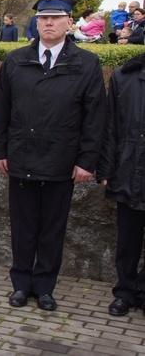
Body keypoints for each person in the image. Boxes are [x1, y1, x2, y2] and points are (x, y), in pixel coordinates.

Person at [0, 0, 106, 311]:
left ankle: (44, 287)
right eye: (43, 17)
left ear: (69, 23)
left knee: (52, 228)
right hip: (22, 156)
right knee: (23, 226)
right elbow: (1, 111)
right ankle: (20, 284)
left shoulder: (86, 63)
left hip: (62, 159)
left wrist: (87, 161)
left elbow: (95, 118)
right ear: (36, 23)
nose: (49, 23)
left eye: (55, 17)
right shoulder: (16, 61)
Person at [98, 52, 145, 317]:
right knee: (128, 239)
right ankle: (126, 291)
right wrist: (105, 168)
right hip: (129, 168)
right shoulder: (124, 76)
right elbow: (110, 126)